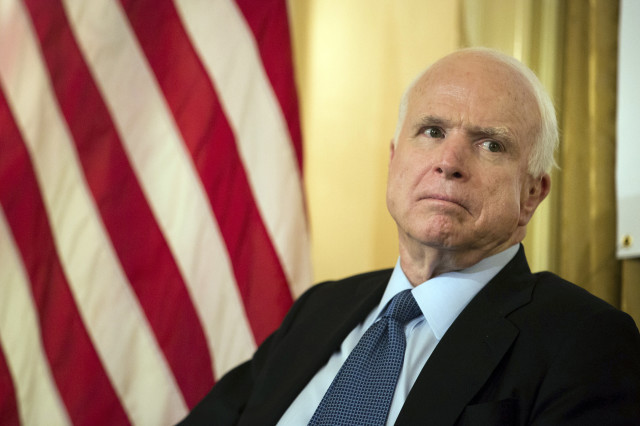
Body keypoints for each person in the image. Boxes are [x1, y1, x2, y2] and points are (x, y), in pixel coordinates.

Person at [180, 48, 640, 425]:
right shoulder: (319, 310)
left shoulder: (585, 342)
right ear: (394, 160)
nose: (449, 161)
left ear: (533, 194)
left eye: (491, 144)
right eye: (432, 131)